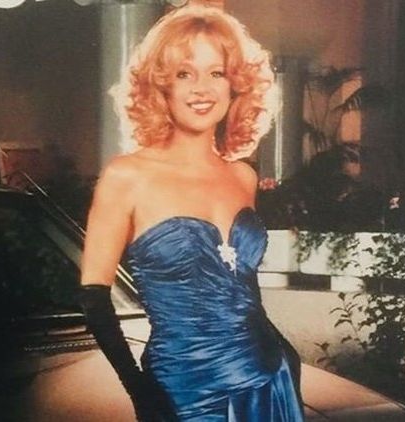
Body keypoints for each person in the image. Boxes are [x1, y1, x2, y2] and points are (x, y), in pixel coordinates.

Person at [78, 4, 304, 421]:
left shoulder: (242, 176)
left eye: (216, 72)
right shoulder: (126, 176)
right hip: (184, 394)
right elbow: (94, 299)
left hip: (269, 381)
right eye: (184, 73)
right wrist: (140, 391)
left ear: (236, 84)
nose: (202, 89)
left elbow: (242, 291)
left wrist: (286, 356)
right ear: (161, 85)